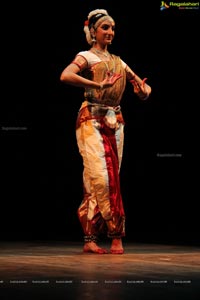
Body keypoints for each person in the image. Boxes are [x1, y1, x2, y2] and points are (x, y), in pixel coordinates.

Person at [60, 8, 151, 254]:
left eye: (112, 28)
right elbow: (66, 75)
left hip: (115, 121)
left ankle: (89, 237)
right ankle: (115, 235)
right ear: (93, 32)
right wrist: (97, 83)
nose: (110, 32)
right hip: (91, 119)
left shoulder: (119, 61)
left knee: (95, 180)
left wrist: (143, 92)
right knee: (105, 177)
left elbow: (144, 87)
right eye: (105, 28)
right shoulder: (86, 57)